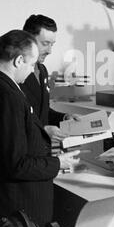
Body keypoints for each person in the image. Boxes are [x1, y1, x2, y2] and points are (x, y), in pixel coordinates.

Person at [0, 30, 79, 227]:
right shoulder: (7, 96)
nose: (31, 72)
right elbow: (16, 164)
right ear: (19, 60)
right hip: (18, 213)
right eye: (31, 64)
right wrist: (58, 163)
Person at [21, 14, 77, 143]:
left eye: (52, 44)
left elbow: (43, 112)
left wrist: (65, 117)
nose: (50, 51)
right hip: (24, 151)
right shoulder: (15, 73)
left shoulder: (42, 70)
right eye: (45, 44)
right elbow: (14, 120)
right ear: (28, 40)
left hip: (42, 150)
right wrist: (43, 130)